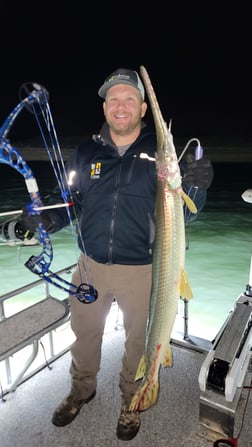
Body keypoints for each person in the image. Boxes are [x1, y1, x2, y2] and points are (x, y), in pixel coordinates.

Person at [19, 68, 214, 441]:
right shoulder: (86, 152)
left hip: (142, 270)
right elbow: (70, 200)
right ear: (105, 106)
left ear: (141, 108)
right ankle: (82, 389)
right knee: (84, 334)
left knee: (138, 342)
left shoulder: (157, 156)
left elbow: (183, 212)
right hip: (89, 267)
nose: (120, 106)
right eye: (113, 99)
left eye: (128, 99)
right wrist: (46, 219)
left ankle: (131, 398)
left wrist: (197, 185)